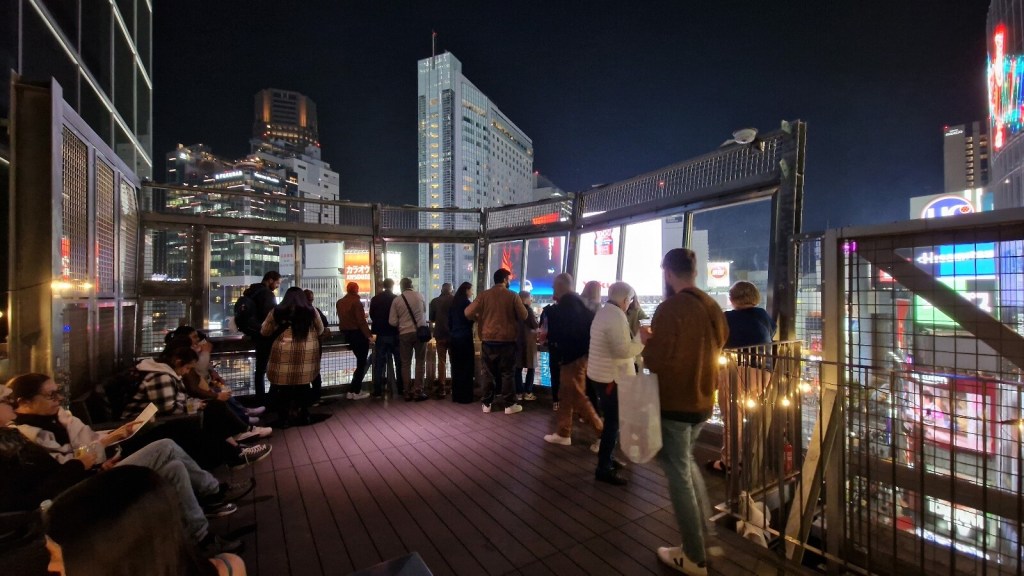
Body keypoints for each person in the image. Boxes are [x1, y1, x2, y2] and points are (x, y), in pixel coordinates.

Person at [2, 380, 251, 555]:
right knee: (166, 444)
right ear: (25, 402)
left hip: (92, 473)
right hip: (80, 493)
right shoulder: (24, 437)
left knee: (174, 466)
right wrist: (86, 464)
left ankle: (201, 537)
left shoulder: (45, 426)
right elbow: (47, 485)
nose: (58, 399)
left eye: (58, 392)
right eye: (50, 395)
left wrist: (103, 448)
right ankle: (214, 490)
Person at [642, 248, 729, 576]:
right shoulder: (712, 306)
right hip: (704, 401)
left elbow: (656, 361)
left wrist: (646, 340)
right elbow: (719, 343)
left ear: (667, 272)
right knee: (685, 464)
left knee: (677, 473)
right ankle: (703, 535)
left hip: (676, 403)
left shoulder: (670, 309)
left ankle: (693, 555)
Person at [44, 466, 247, 575]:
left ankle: (214, 495)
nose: (50, 568)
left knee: (172, 459)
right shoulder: (229, 567)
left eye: (55, 556)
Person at [121, 348, 273, 469]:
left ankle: (237, 446)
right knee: (213, 411)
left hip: (155, 422)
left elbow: (171, 404)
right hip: (144, 428)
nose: (187, 372)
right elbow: (169, 409)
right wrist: (194, 407)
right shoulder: (161, 377)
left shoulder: (162, 373)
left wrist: (195, 405)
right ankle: (237, 449)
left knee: (214, 407)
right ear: (178, 361)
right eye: (187, 367)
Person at [708, 281, 776, 475]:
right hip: (764, 372)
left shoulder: (727, 318)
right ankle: (755, 460)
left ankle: (729, 463)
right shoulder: (763, 315)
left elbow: (715, 341)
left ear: (732, 299)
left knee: (732, 419)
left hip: (735, 371)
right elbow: (770, 333)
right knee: (752, 413)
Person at [588, 282, 644, 486]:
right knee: (614, 422)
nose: (630, 304)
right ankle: (604, 468)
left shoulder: (604, 312)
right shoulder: (615, 316)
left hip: (600, 376)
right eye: (629, 300)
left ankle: (607, 458)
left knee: (612, 420)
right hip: (611, 379)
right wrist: (642, 340)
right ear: (625, 299)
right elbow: (622, 350)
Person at [542, 273, 602, 444]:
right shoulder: (580, 304)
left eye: (554, 287)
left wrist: (560, 352)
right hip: (581, 356)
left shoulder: (566, 307)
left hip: (572, 358)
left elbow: (562, 334)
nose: (553, 290)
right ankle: (563, 432)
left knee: (577, 396)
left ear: (560, 287)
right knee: (567, 394)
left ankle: (602, 433)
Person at [165, 327, 264, 425]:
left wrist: (213, 372)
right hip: (197, 393)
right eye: (194, 336)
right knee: (220, 396)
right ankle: (243, 421)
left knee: (223, 392)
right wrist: (205, 352)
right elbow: (197, 375)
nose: (198, 339)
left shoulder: (189, 353)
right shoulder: (186, 355)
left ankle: (243, 413)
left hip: (201, 387)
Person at [465, 269, 528, 414]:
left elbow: (468, 312)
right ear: (505, 279)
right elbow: (524, 315)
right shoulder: (512, 295)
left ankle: (486, 404)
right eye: (509, 279)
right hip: (507, 341)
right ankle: (509, 405)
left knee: (487, 372)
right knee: (507, 373)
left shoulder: (484, 295)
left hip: (488, 340)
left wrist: (480, 318)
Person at [261, 287, 325, 427]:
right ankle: (304, 415)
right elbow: (320, 329)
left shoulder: (277, 311)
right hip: (306, 355)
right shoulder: (311, 311)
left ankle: (284, 419)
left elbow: (265, 331)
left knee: (283, 388)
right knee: (303, 386)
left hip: (283, 355)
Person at [242, 271, 281, 404]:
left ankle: (260, 398)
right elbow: (270, 316)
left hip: (254, 334)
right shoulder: (267, 294)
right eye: (277, 283)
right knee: (275, 367)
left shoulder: (251, 291)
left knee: (259, 370)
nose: (277, 286)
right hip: (266, 336)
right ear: (270, 280)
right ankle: (271, 399)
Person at [389, 278, 429, 402]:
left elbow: (392, 321)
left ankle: (406, 392)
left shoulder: (397, 300)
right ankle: (418, 391)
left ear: (401, 287)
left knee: (405, 363)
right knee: (420, 362)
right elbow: (424, 312)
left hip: (404, 334)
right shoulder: (420, 296)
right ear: (411, 285)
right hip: (420, 333)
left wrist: (403, 321)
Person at [337, 282, 373, 400]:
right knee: (361, 364)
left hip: (347, 335)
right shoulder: (356, 303)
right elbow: (361, 321)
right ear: (356, 290)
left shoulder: (340, 302)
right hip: (358, 335)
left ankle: (352, 390)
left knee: (360, 363)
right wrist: (369, 336)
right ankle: (355, 391)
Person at [369, 279, 403, 398]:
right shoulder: (397, 299)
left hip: (380, 334)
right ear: (393, 286)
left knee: (379, 363)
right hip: (394, 334)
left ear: (383, 286)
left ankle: (378, 390)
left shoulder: (375, 299)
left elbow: (372, 315)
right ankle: (401, 388)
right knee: (399, 362)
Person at [447, 282, 476, 404]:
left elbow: (449, 322)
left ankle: (457, 395)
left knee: (456, 366)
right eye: (471, 290)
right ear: (466, 291)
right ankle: (465, 396)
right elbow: (471, 319)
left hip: (454, 338)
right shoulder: (467, 304)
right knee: (466, 366)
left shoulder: (453, 303)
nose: (472, 292)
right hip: (465, 338)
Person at [304, 289, 332, 406]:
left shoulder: (293, 311)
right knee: (315, 371)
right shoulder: (314, 311)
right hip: (315, 345)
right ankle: (315, 397)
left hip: (299, 348)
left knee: (302, 374)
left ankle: (304, 398)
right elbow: (323, 325)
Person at [429, 283, 454, 399]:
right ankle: (454, 386)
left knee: (441, 361)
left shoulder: (434, 301)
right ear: (451, 290)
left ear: (441, 289)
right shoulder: (455, 300)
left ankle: (442, 387)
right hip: (453, 335)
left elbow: (432, 319)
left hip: (440, 335)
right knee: (454, 361)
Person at [515, 290, 539, 402]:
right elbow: (535, 325)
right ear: (525, 299)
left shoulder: (515, 310)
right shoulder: (528, 310)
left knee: (517, 368)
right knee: (531, 367)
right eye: (530, 298)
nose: (531, 300)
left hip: (517, 342)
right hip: (529, 342)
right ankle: (528, 392)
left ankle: (519, 392)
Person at [539, 300, 561, 411]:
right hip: (568, 349)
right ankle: (567, 402)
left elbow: (542, 330)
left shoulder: (548, 310)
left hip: (553, 347)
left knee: (555, 374)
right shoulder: (572, 310)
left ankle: (555, 401)